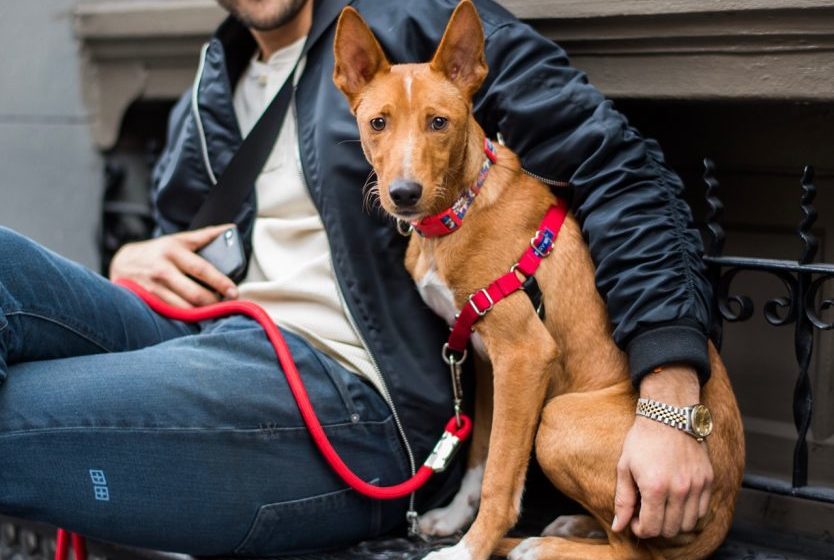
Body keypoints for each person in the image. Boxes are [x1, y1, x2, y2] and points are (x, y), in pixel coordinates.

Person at [0, 0, 716, 555]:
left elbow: (617, 167)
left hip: (346, 392)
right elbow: (185, 232)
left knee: (19, 411)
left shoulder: (415, 23)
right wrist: (133, 258)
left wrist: (670, 399)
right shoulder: (214, 76)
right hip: (207, 332)